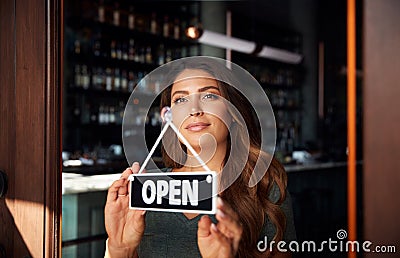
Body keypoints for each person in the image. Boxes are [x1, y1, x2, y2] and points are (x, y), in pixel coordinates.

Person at [104, 58, 296, 258]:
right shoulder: (143, 193)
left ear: (232, 111)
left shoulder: (264, 186)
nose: (194, 110)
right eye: (180, 99)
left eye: (209, 96)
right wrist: (120, 249)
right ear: (167, 115)